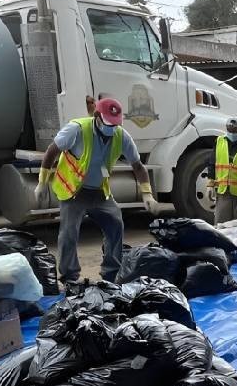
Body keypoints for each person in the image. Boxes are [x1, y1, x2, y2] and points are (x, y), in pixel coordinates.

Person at [37, 97, 156, 284]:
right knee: (68, 233)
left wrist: (147, 193)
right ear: (97, 116)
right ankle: (69, 277)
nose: (111, 129)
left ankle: (111, 273)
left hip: (99, 192)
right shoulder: (76, 129)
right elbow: (52, 151)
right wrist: (42, 182)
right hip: (74, 192)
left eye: (115, 125)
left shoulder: (121, 135)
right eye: (109, 124)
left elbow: (138, 166)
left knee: (115, 224)